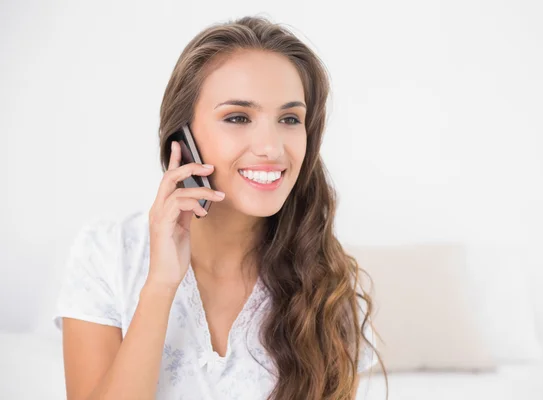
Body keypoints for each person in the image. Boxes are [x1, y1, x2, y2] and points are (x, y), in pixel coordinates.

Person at [53, 15, 387, 400]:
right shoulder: (107, 254)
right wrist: (160, 285)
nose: (272, 148)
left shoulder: (328, 284)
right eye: (238, 117)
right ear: (183, 138)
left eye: (290, 119)